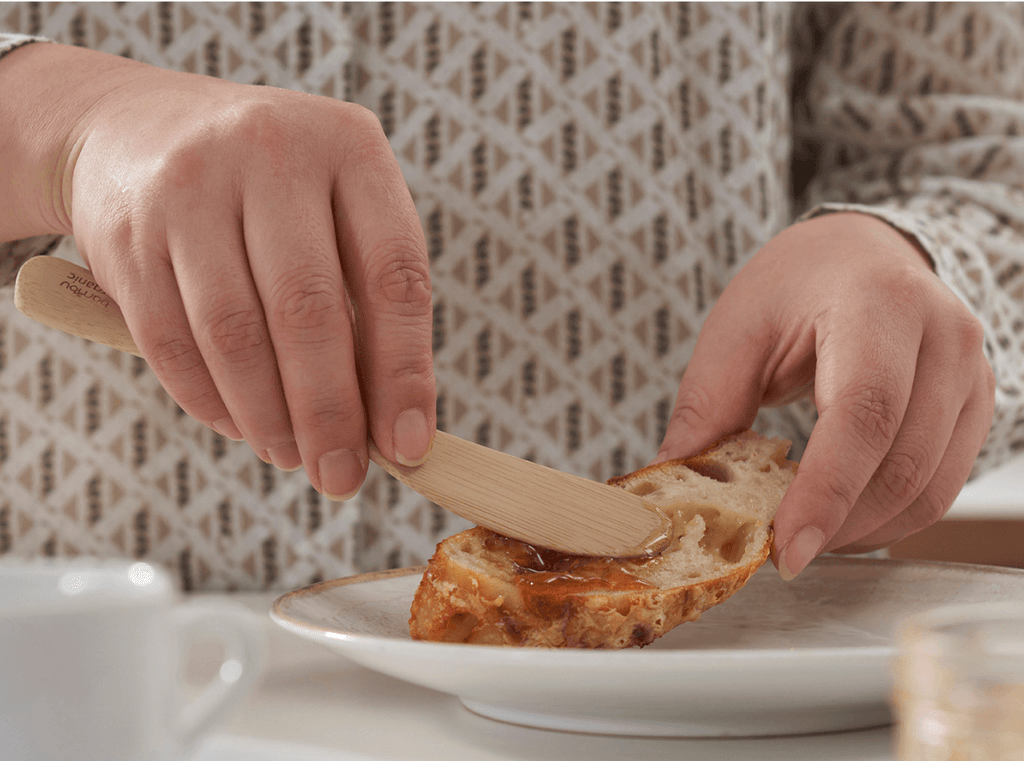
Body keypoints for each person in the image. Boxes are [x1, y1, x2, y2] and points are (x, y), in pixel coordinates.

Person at [1, 3, 1021, 592]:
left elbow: (981, 165)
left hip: (710, 726)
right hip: (97, 735)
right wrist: (53, 121)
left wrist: (908, 258)